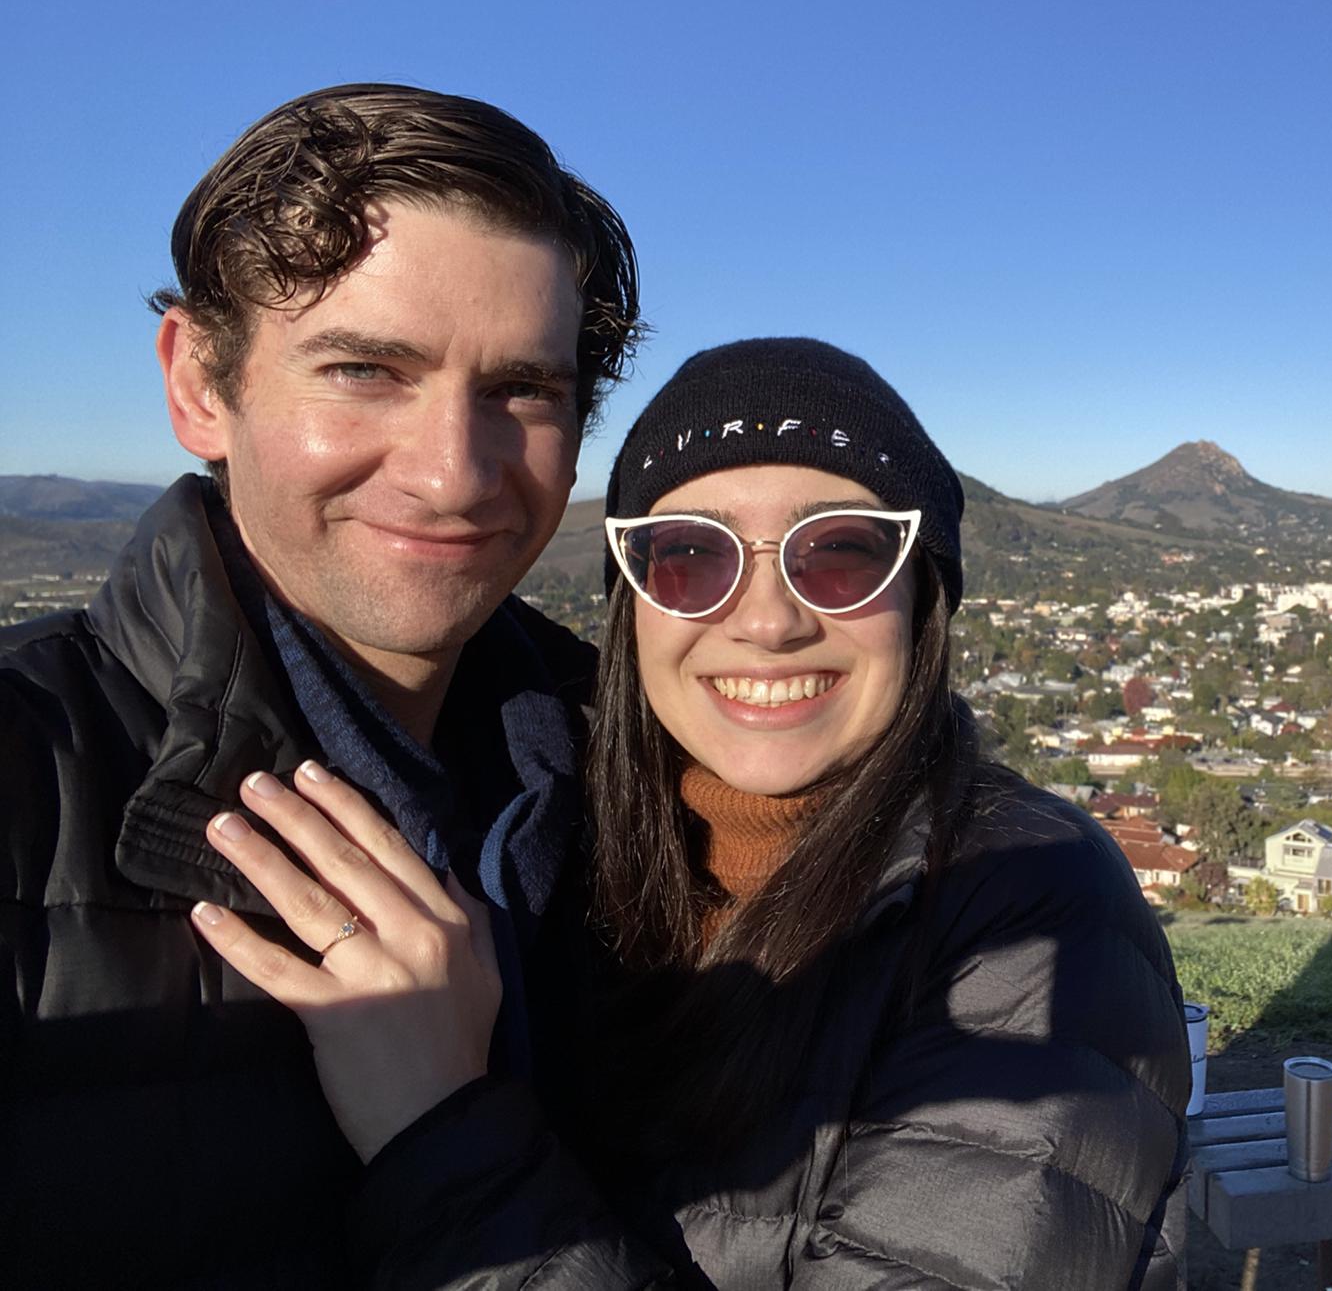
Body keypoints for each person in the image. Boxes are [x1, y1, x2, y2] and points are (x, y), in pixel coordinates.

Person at [194, 338, 1192, 1289]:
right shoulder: (557, 842)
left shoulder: (1030, 913)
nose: (766, 620)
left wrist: (440, 1122)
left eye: (840, 553)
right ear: (630, 603)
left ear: (920, 594)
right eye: (688, 556)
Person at [0, 83, 642, 1287]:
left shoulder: (645, 796)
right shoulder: (26, 785)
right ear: (200, 384)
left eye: (522, 390)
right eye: (362, 370)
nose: (455, 475)